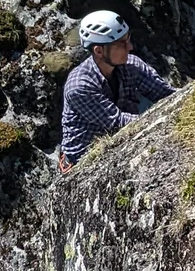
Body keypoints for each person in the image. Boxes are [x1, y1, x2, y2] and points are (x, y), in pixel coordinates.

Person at [57, 9, 174, 170]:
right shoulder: (79, 86)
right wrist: (165, 119)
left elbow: (166, 95)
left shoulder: (131, 65)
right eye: (122, 43)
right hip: (82, 161)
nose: (130, 47)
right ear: (99, 50)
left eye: (128, 40)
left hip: (121, 143)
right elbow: (117, 123)